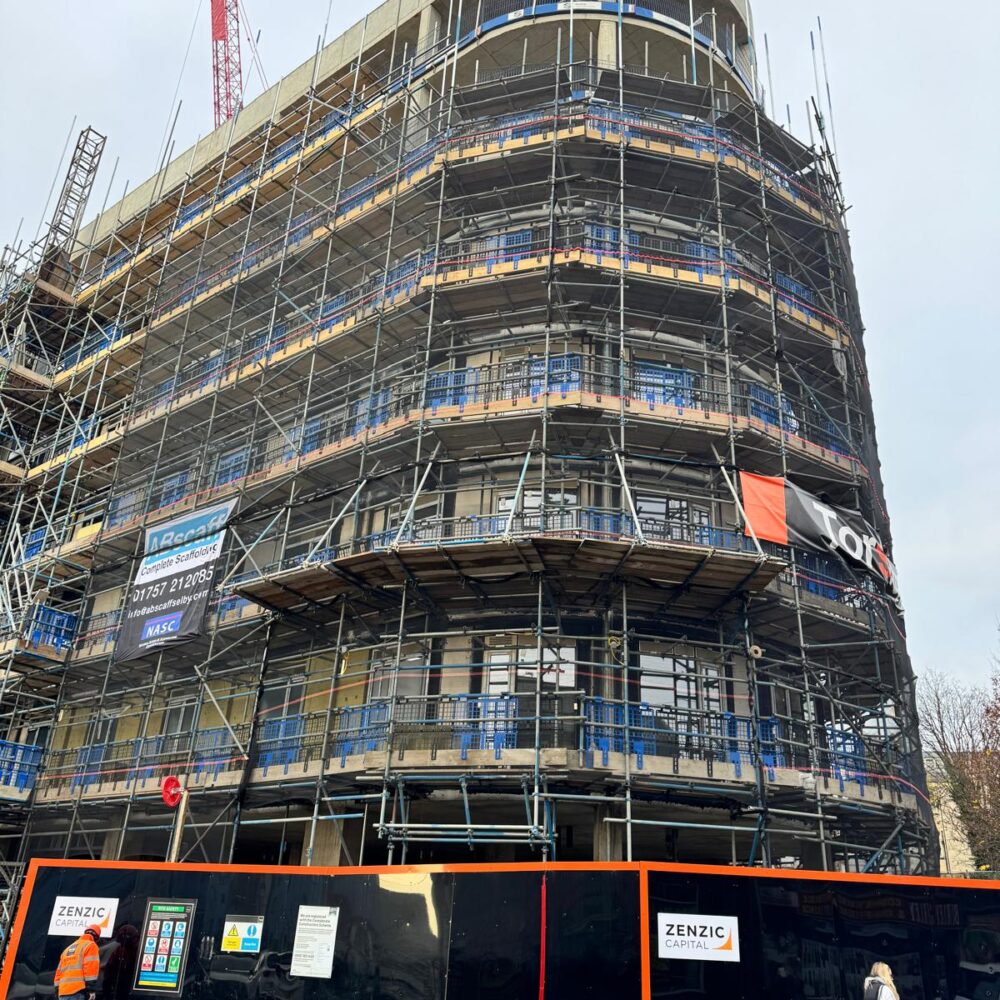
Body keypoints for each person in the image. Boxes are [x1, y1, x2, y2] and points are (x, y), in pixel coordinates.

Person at [54, 923, 102, 999]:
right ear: (96, 937)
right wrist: (91, 990)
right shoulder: (91, 945)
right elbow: (90, 970)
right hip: (77, 991)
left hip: (63, 992)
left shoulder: (68, 949)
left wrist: (57, 989)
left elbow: (58, 972)